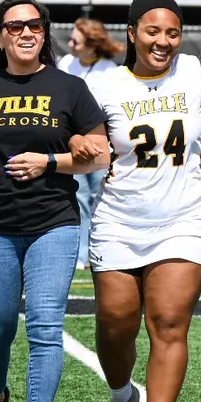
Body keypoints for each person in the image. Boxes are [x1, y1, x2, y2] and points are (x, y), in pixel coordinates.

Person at [0, 0, 108, 402]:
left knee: (46, 326)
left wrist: (51, 160)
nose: (27, 32)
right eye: (16, 25)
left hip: (54, 222)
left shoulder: (71, 88)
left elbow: (101, 154)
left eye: (36, 25)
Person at [87, 0, 201, 402]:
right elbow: (87, 143)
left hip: (184, 216)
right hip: (120, 218)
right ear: (132, 32)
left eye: (173, 32)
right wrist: (74, 149)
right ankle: (123, 397)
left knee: (167, 321)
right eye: (153, 30)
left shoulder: (196, 70)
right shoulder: (104, 84)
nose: (163, 41)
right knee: (116, 322)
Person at [58, 18, 122, 270]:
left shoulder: (110, 70)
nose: (70, 44)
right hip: (69, 141)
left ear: (92, 46)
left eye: (76, 41)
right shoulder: (66, 63)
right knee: (78, 197)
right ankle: (81, 254)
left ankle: (102, 250)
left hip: (99, 144)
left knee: (102, 197)